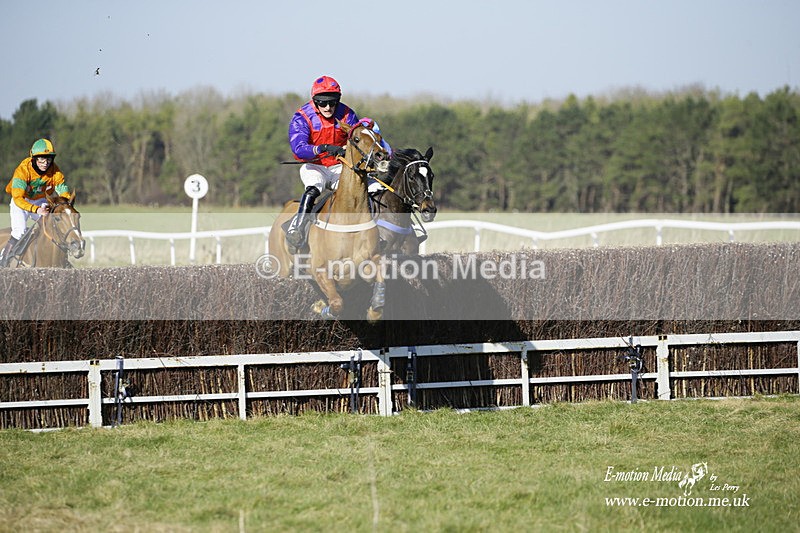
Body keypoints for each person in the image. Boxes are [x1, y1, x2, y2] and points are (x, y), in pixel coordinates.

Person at [285, 75, 391, 248]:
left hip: (339, 165)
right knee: (313, 190)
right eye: (323, 103)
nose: (328, 107)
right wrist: (323, 148)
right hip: (315, 166)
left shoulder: (347, 114)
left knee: (368, 190)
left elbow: (359, 139)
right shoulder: (302, 117)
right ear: (315, 101)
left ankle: (373, 232)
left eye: (332, 103)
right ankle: (298, 228)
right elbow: (298, 148)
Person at [0, 138, 72, 265]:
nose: (45, 163)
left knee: (53, 227)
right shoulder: (22, 171)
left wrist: (64, 204)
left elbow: (64, 192)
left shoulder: (55, 171)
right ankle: (4, 261)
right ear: (34, 158)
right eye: (41, 159)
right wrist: (37, 210)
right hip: (21, 202)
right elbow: (18, 199)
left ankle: (62, 261)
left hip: (39, 200)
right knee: (19, 231)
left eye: (48, 158)